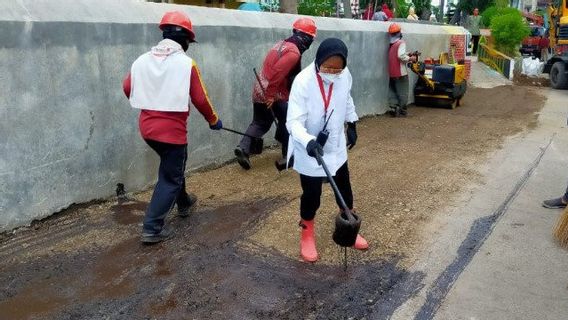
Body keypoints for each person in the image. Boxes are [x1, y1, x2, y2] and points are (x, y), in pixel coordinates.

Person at [123, 11, 223, 244]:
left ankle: (184, 202)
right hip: (172, 132)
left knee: (174, 167)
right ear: (186, 39)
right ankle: (152, 228)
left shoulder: (142, 59)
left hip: (147, 129)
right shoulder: (186, 64)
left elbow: (127, 86)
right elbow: (201, 99)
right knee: (170, 176)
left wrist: (151, 100)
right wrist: (213, 120)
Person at [286, 38, 369, 263]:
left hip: (335, 145)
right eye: (327, 67)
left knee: (344, 188)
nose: (332, 72)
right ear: (318, 61)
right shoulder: (303, 82)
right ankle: (307, 234)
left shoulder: (344, 75)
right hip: (309, 148)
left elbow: (347, 98)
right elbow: (293, 122)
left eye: (337, 69)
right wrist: (307, 141)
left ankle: (349, 229)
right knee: (312, 196)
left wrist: (352, 122)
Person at [235, 18, 317, 171]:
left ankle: (244, 148)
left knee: (259, 122)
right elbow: (278, 72)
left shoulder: (280, 45)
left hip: (260, 88)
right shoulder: (293, 52)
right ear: (306, 37)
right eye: (311, 38)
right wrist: (271, 95)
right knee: (289, 121)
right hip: (274, 92)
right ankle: (288, 155)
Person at [387, 23, 417, 117]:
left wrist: (408, 53)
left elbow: (399, 53)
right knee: (403, 91)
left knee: (392, 90)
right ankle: (403, 110)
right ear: (399, 33)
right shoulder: (401, 43)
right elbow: (400, 56)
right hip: (400, 72)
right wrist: (411, 58)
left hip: (392, 72)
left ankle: (394, 107)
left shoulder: (391, 45)